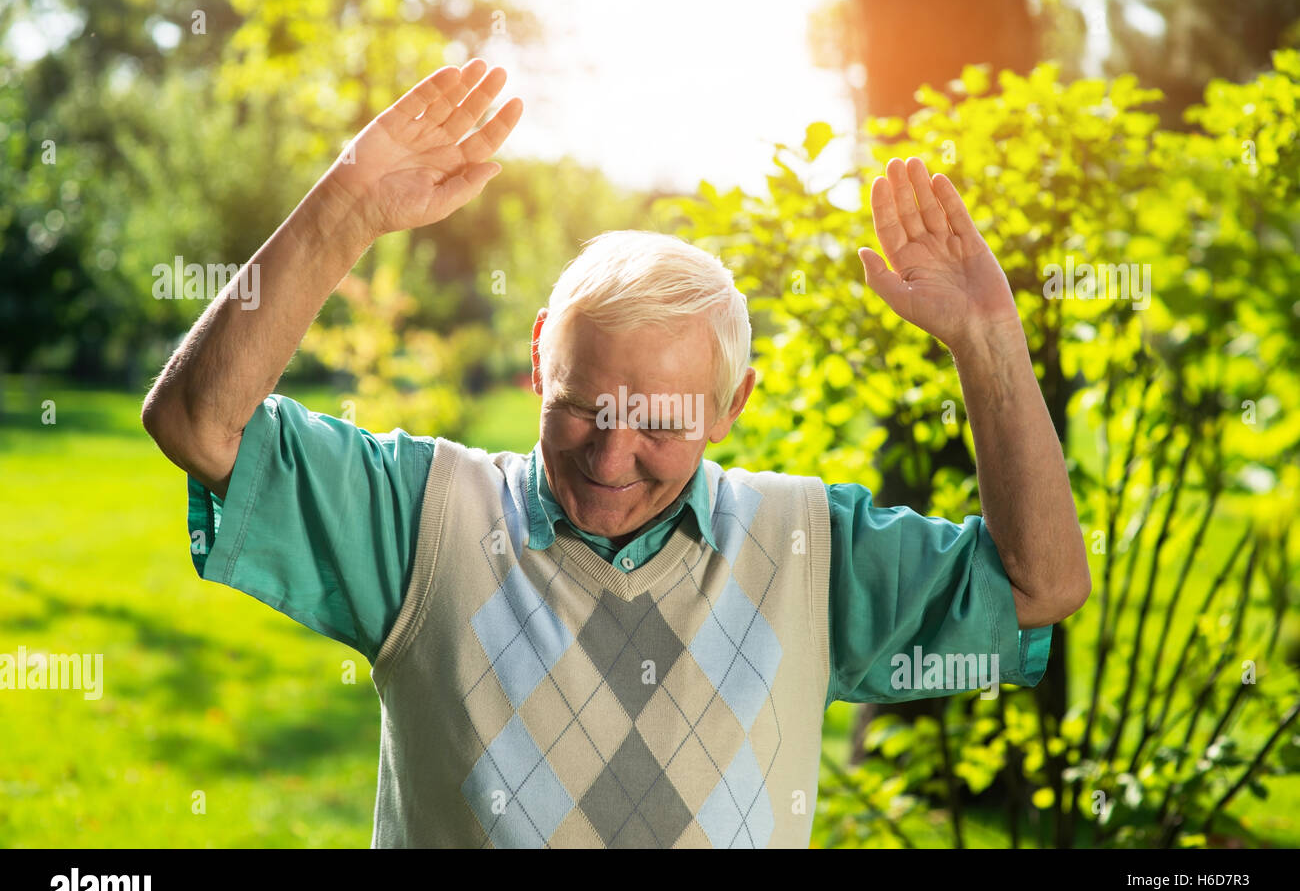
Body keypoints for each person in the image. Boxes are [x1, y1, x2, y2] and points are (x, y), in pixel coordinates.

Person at [141, 58, 1091, 848]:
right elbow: (197, 424)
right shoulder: (421, 515)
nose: (611, 456)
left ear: (732, 406)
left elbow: (1039, 587)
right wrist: (347, 205)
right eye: (585, 407)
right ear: (537, 360)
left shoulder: (806, 547)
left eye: (662, 422)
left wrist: (988, 337)